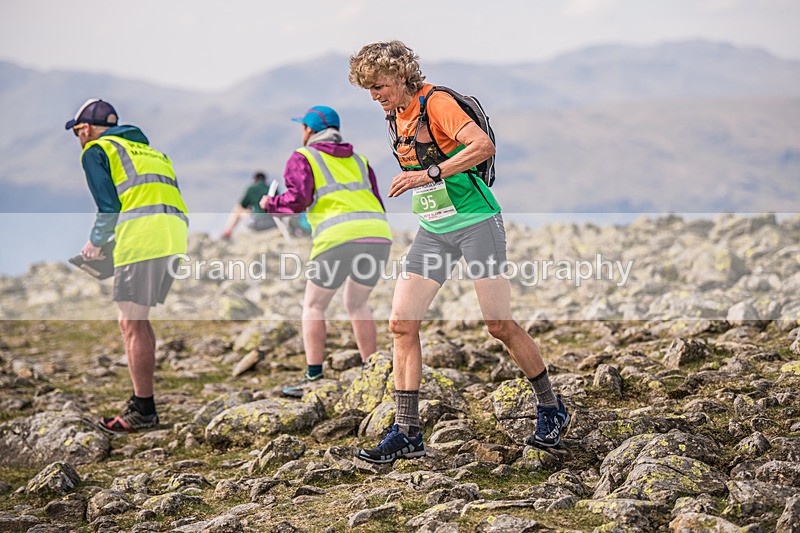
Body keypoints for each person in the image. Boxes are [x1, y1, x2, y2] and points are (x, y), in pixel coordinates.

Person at [348, 41, 569, 464]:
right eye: (369, 90)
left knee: (499, 325)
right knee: (400, 324)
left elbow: (481, 146)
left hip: (476, 225)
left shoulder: (439, 102)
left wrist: (428, 173)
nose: (375, 96)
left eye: (379, 87)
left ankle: (550, 406)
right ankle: (407, 431)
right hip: (434, 231)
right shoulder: (396, 115)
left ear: (399, 76)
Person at [65, 98, 188, 434]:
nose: (78, 138)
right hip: (173, 235)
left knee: (130, 322)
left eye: (77, 132)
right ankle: (142, 404)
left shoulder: (96, 150)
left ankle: (143, 410)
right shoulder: (150, 152)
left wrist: (96, 242)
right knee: (137, 319)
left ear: (86, 129)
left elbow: (109, 206)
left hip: (143, 237)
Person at [260, 106, 392, 397]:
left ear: (308, 130)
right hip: (377, 235)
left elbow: (297, 199)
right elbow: (376, 199)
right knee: (358, 304)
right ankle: (373, 369)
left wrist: (270, 204)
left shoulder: (303, 156)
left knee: (314, 306)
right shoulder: (360, 160)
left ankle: (314, 376)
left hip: (338, 238)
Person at [222, 171, 277, 239]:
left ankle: (227, 232)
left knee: (237, 209)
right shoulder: (273, 189)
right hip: (273, 222)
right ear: (265, 180)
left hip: (256, 223)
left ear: (254, 179)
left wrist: (249, 210)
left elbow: (242, 206)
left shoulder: (251, 188)